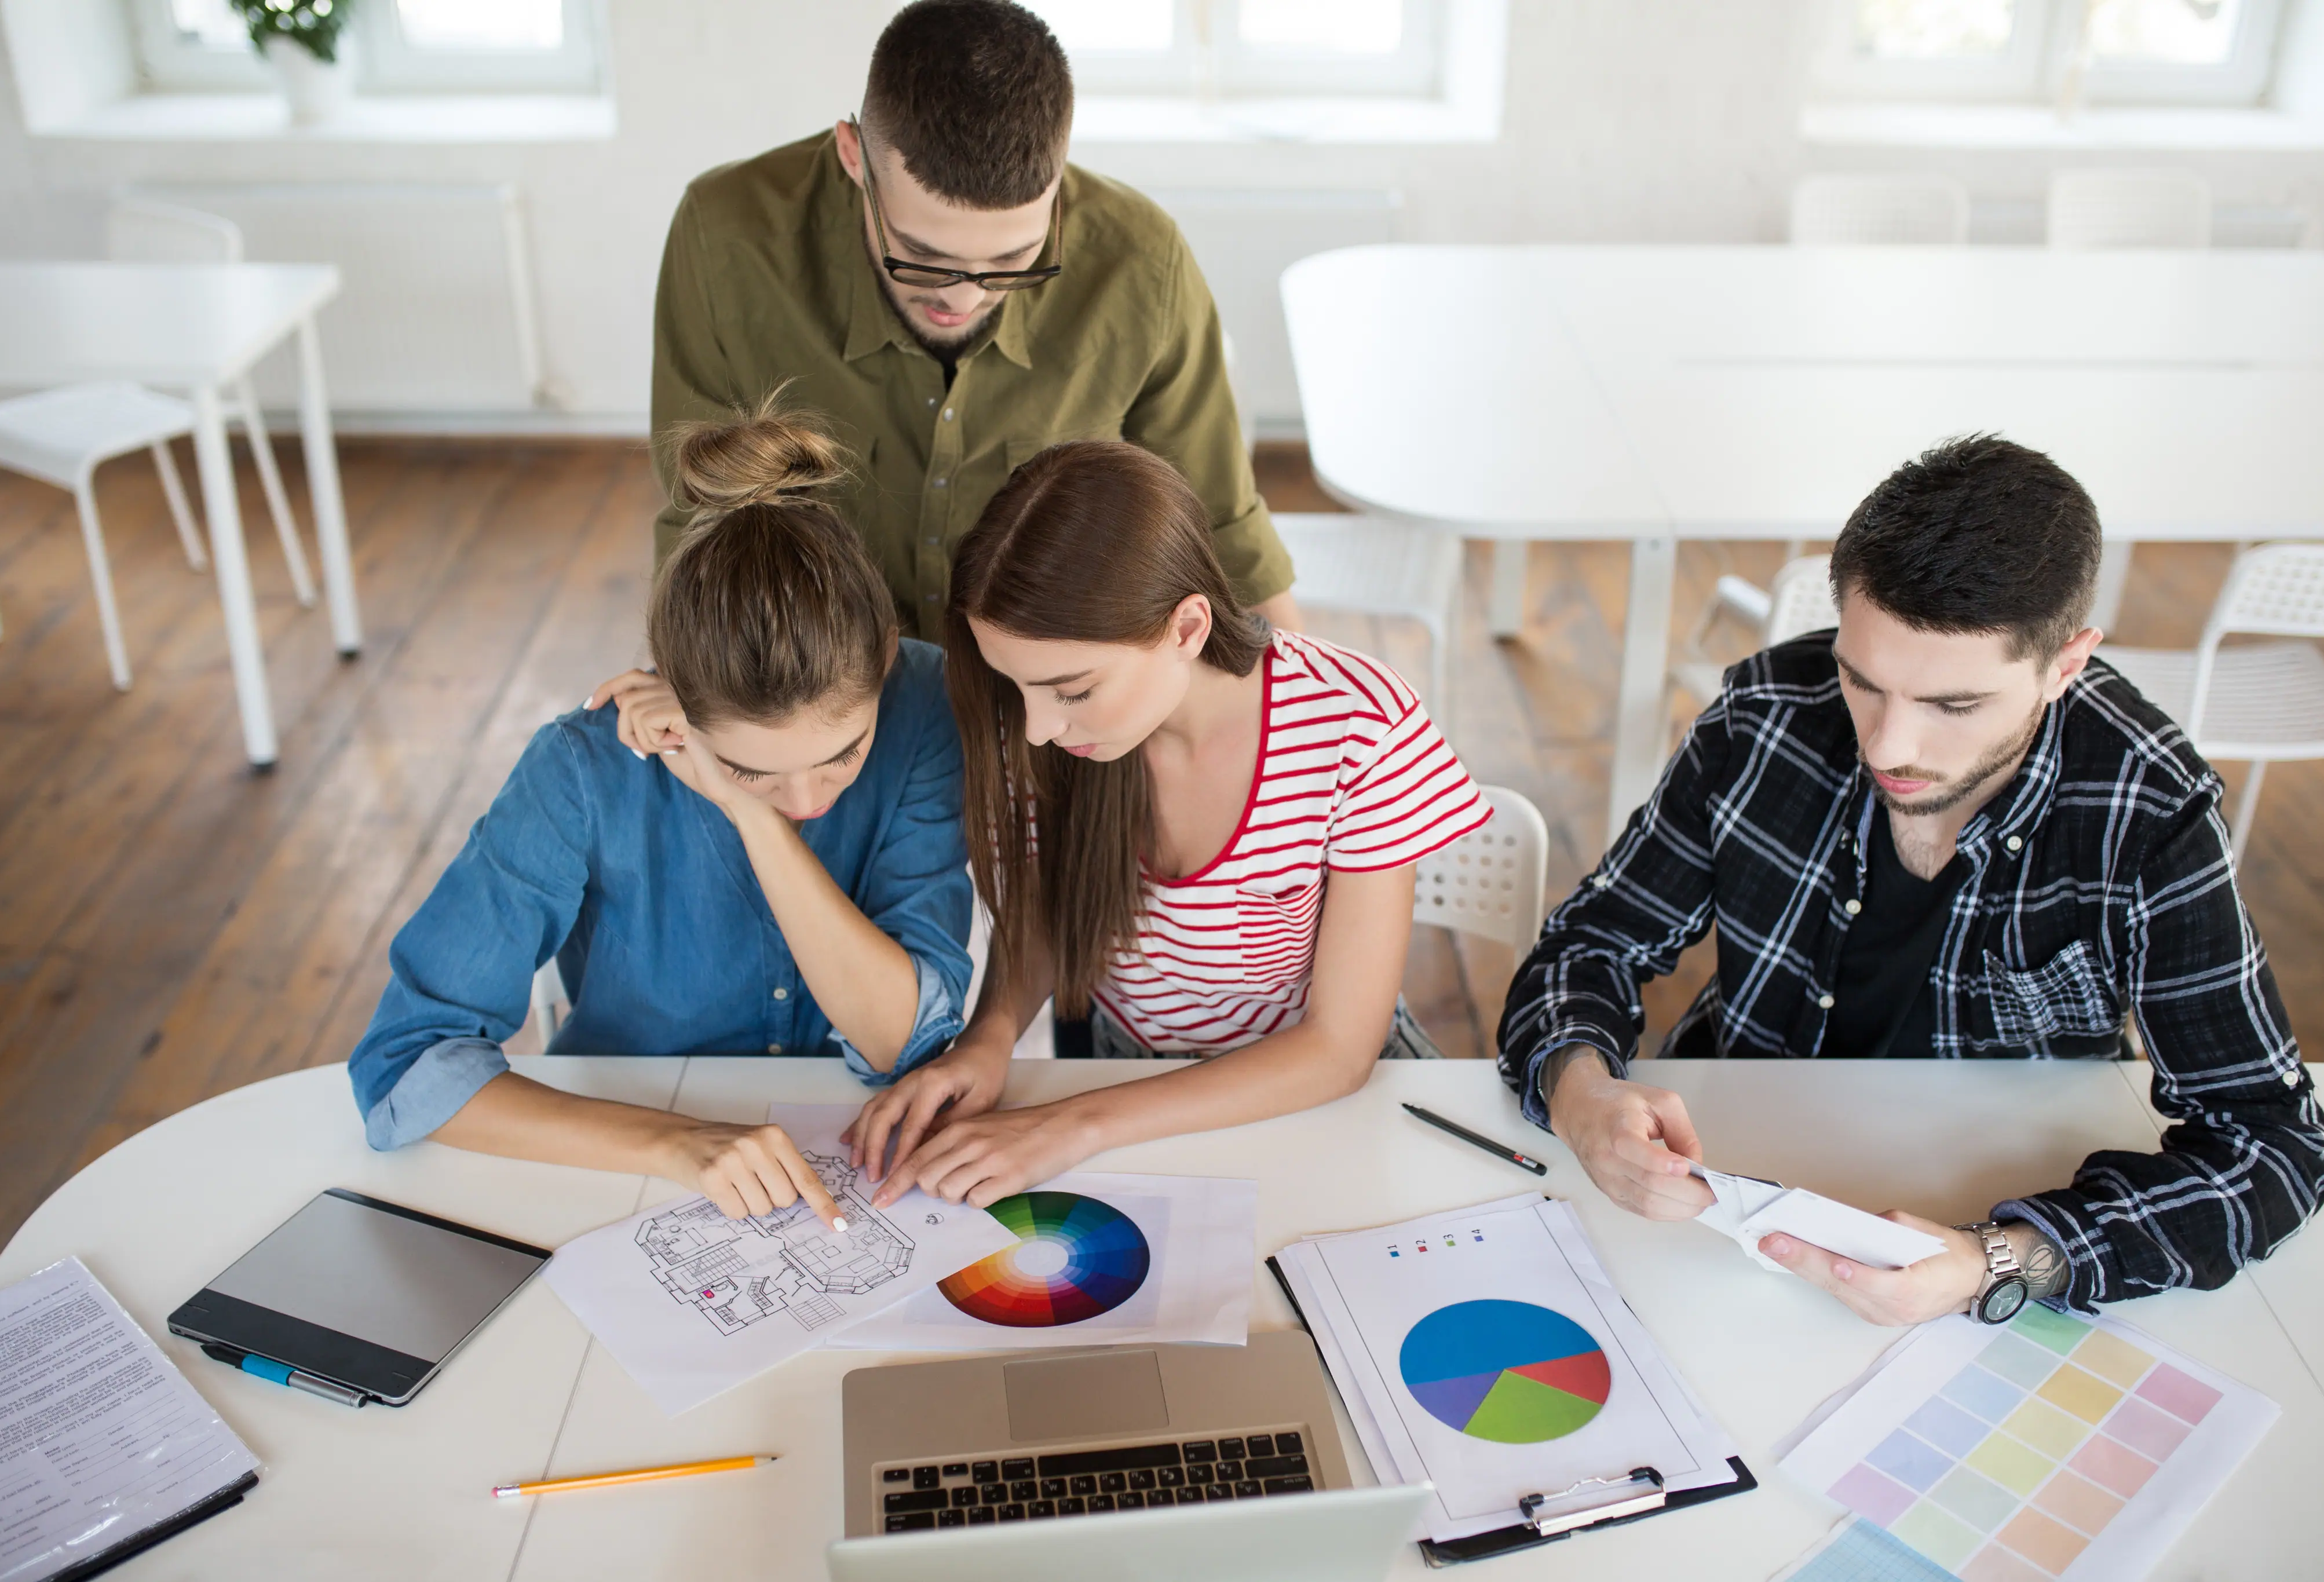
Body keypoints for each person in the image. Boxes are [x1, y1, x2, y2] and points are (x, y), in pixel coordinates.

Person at [1498, 435, 2324, 1325]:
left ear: (2066, 663)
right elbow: (1593, 941)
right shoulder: (1764, 718)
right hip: (1735, 1172)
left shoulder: (2147, 805)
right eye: (1864, 681)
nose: (1888, 746)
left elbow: (2274, 1144)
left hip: (1998, 1198)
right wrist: (1581, 1090)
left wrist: (1998, 1259)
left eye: (1954, 705)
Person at [348, 403, 974, 1227]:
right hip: (621, 1169)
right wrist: (673, 1144)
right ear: (682, 698)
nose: (812, 799)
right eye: (756, 767)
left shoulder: (923, 702)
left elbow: (905, 1040)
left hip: (864, 1172)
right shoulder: (582, 764)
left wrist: (749, 812)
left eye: (843, 753)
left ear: (887, 658)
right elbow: (405, 1066)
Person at [844, 440, 1489, 1209]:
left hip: (1326, 1099)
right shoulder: (1059, 731)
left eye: (1071, 688)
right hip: (1130, 1076)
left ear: (1187, 627)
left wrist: (1068, 1125)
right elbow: (1054, 915)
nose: (1041, 727)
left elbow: (1338, 1051)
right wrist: (989, 1037)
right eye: (1018, 688)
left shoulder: (1358, 726)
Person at [648, 0, 1299, 640]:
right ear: (854, 157)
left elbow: (1217, 529)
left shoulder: (1143, 260)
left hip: (1052, 696)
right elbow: (701, 522)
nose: (961, 299)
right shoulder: (723, 235)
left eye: (1014, 259)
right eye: (922, 259)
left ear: (1058, 177)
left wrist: (1307, 703)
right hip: (819, 698)